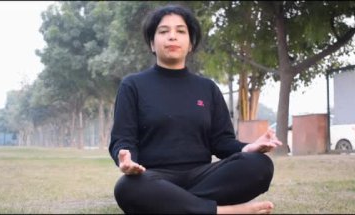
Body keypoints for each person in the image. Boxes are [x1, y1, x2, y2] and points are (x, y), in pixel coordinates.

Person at [108, 4, 282, 214]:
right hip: (154, 178)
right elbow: (123, 138)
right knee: (127, 188)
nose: (172, 37)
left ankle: (175, 206)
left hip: (203, 176)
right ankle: (226, 212)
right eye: (163, 31)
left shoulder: (207, 88)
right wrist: (126, 159)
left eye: (180, 31)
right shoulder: (133, 85)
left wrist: (250, 148)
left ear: (190, 44)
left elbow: (222, 143)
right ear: (152, 44)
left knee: (259, 165)